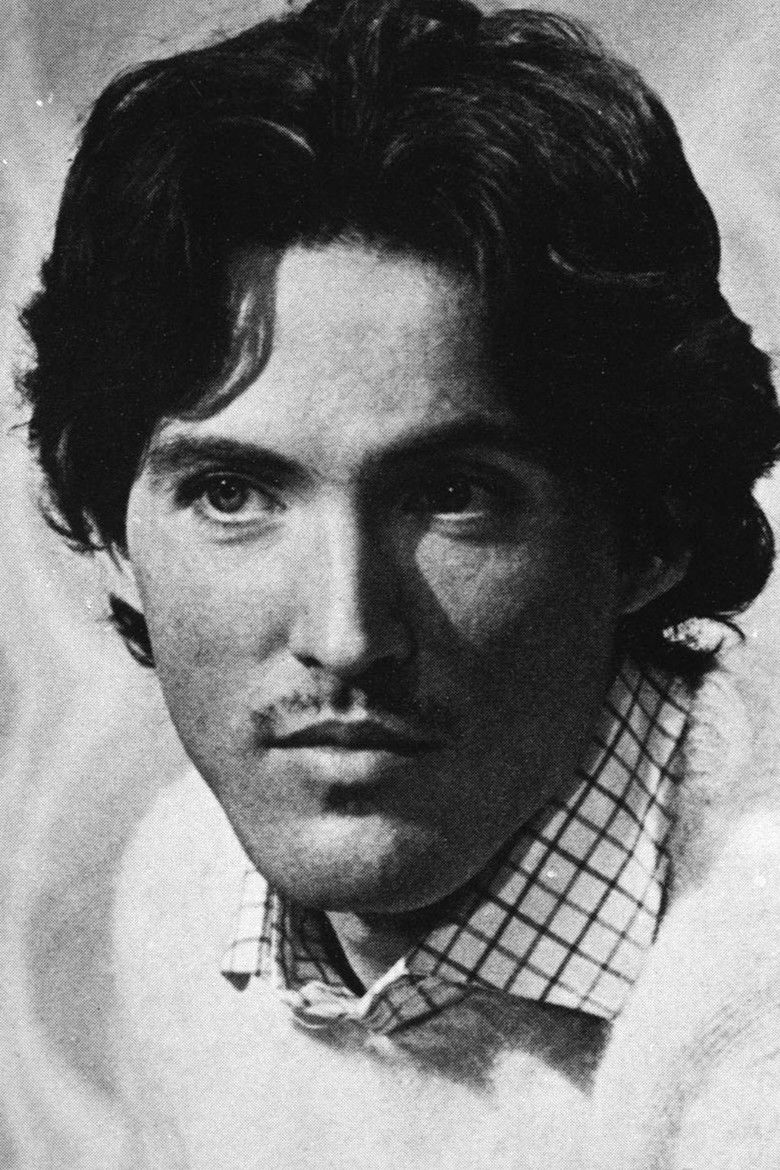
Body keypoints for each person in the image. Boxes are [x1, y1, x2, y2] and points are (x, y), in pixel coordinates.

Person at [18, 0, 780, 1165]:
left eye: (455, 494)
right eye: (231, 493)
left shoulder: (752, 1004)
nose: (346, 635)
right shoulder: (186, 890)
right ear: (116, 535)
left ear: (653, 534)